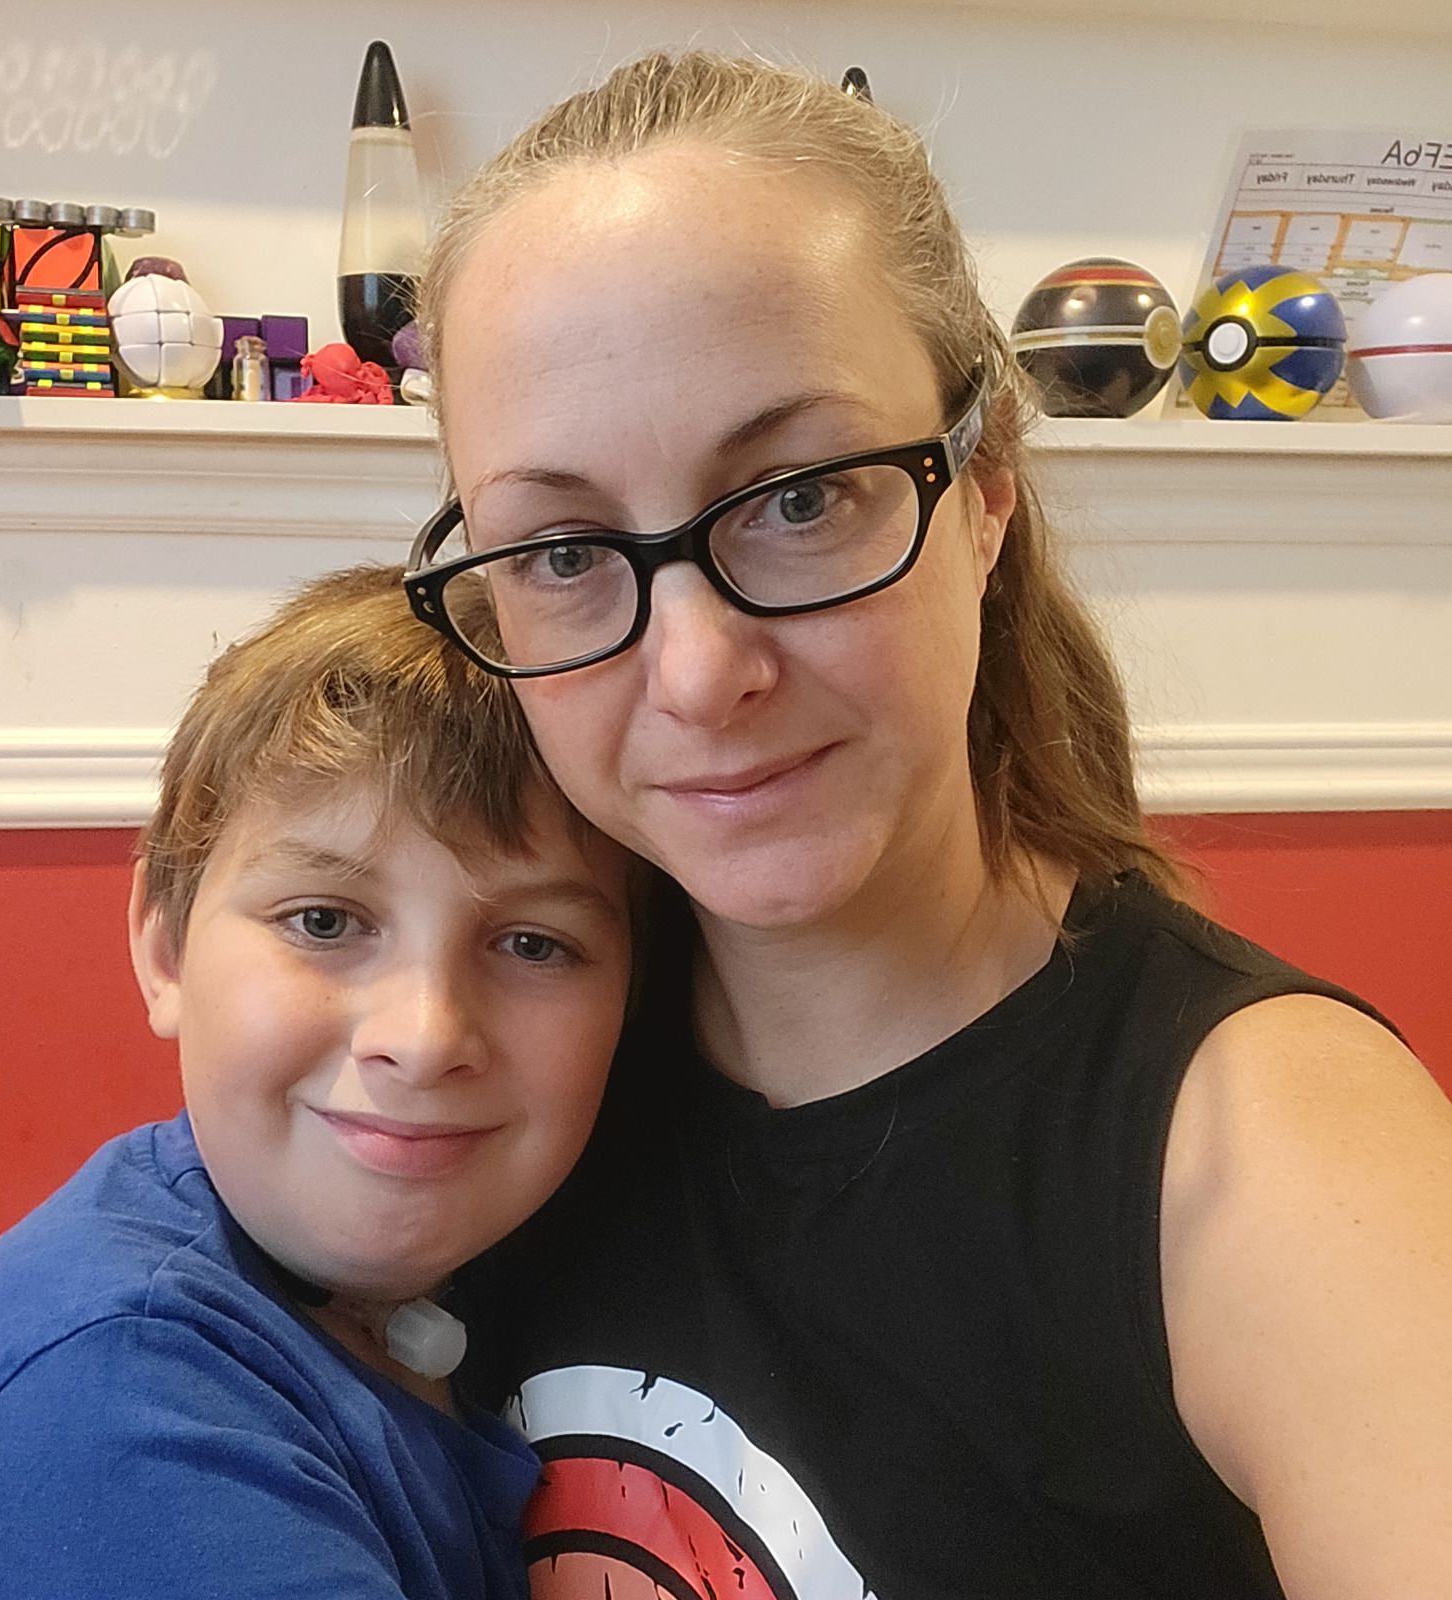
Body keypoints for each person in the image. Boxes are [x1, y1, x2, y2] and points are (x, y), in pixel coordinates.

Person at [401, 50, 1452, 1600]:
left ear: (985, 494)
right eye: (561, 548)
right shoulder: (482, 1067)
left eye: (803, 494)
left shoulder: (1268, 1153)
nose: (699, 673)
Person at [0, 565, 634, 1599]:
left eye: (532, 943)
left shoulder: (485, 1263)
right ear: (166, 946)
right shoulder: (112, 1413)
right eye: (323, 920)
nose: (426, 1034)